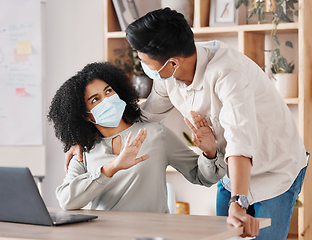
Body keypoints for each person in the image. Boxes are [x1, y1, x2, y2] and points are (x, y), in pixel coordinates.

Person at [121, 7, 308, 239]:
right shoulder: (169, 76)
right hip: (233, 173)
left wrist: (238, 203)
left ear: (172, 63)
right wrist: (81, 138)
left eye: (143, 60)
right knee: (221, 236)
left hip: (275, 169)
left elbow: (240, 140)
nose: (144, 67)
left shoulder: (228, 73)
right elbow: (145, 116)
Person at [48, 62, 227, 213]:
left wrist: (210, 153)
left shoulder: (156, 134)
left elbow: (203, 177)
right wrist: (111, 168)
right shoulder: (83, 150)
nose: (107, 100)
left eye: (109, 91)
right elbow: (66, 201)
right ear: (85, 115)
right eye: (95, 100)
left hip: (152, 235)